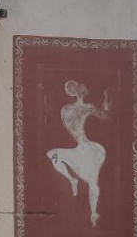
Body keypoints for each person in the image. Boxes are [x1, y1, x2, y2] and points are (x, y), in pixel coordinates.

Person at [46, 80, 109, 227]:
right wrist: (105, 99)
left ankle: (93, 212)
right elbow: (104, 115)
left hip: (86, 149)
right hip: (83, 148)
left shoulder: (66, 109)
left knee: (92, 182)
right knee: (92, 183)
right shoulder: (83, 108)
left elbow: (72, 126)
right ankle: (73, 182)